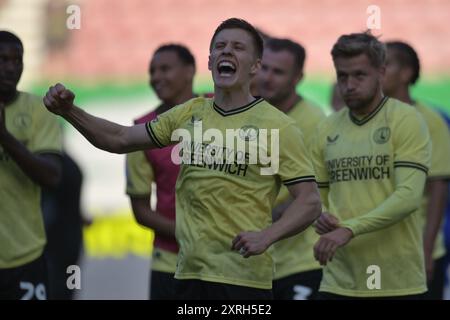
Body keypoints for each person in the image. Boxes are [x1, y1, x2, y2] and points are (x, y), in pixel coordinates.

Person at [42, 18, 321, 300]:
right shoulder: (189, 113)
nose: (227, 52)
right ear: (210, 61)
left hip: (243, 278)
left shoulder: (279, 127)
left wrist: (267, 236)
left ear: (255, 66)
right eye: (220, 46)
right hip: (188, 274)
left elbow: (309, 201)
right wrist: (69, 111)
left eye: (238, 47)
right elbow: (120, 139)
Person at [311, 32, 431, 299]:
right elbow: (314, 196)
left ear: (381, 72)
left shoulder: (406, 120)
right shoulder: (327, 128)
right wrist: (319, 213)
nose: (349, 85)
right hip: (339, 280)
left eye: (359, 75)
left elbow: (408, 197)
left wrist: (350, 229)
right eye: (342, 76)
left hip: (397, 282)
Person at [125, 44, 196, 299]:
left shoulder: (219, 110)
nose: (156, 77)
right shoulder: (139, 132)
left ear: (190, 71)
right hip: (169, 262)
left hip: (226, 262)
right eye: (152, 71)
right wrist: (187, 233)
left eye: (165, 69)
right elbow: (141, 210)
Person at [257, 37, 325, 300]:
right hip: (253, 264)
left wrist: (255, 220)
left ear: (298, 77)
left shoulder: (312, 122)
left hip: (300, 262)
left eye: (278, 72)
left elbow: (312, 195)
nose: (267, 78)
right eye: (264, 68)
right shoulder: (248, 113)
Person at [382, 41, 450, 299]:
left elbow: (438, 190)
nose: (378, 71)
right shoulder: (367, 119)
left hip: (415, 251)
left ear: (406, 73)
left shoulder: (430, 120)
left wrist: (426, 251)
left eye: (385, 65)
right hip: (372, 251)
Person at [0, 31, 62, 300]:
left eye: (17, 60)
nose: (11, 67)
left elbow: (52, 176)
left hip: (24, 257)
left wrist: (4, 136)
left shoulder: (38, 109)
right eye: (2, 59)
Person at [41, 152, 85, 300]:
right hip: (74, 242)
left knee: (52, 290)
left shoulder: (49, 168)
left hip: (54, 243)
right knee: (71, 288)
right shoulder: (74, 166)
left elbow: (49, 210)